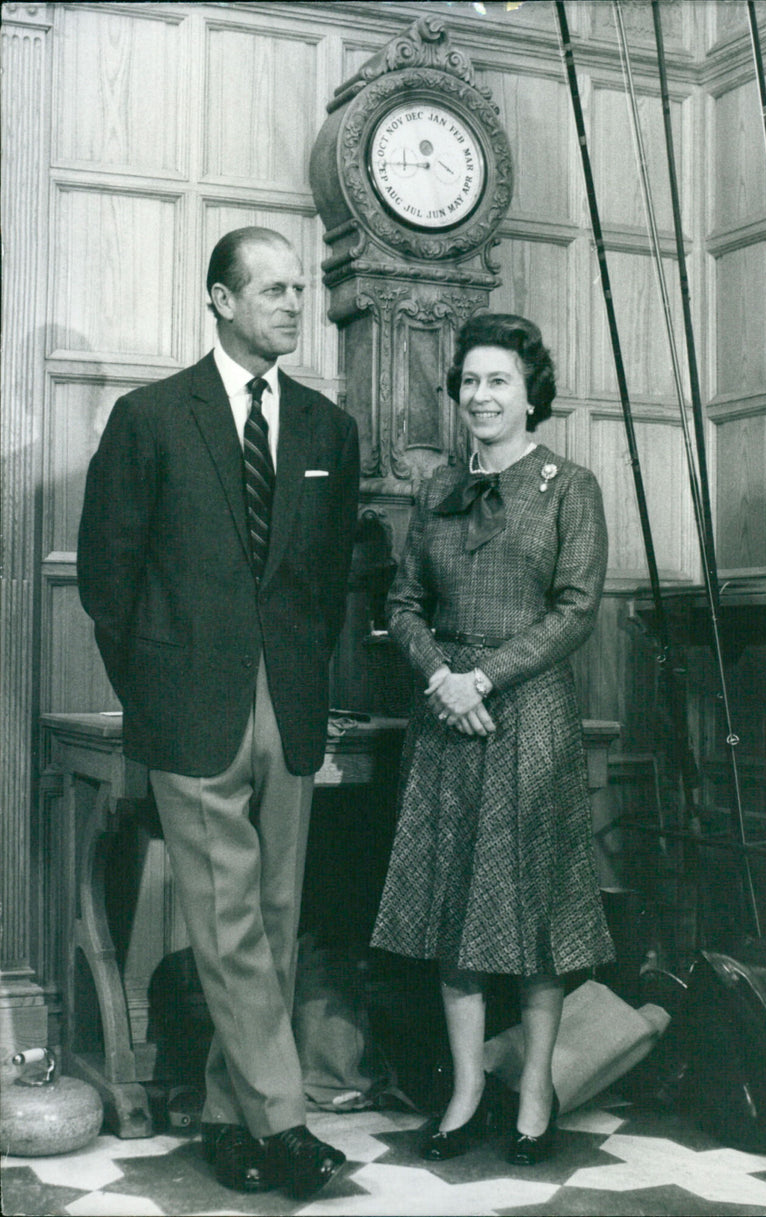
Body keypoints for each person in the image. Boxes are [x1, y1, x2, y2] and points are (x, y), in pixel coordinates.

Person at [77, 227, 360, 1198]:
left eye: (300, 288)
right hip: (188, 712)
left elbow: (323, 589)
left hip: (286, 703)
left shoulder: (327, 428)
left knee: (273, 923)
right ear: (219, 300)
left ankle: (222, 1116)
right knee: (230, 923)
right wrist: (153, 688)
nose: (294, 303)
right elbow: (108, 581)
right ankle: (284, 1122)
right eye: (273, 289)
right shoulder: (150, 419)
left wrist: (305, 697)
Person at [371, 312, 615, 1166]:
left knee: (533, 909)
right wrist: (442, 677)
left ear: (529, 391)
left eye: (498, 380)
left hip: (529, 716)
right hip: (445, 720)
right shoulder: (437, 487)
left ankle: (536, 1088)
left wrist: (486, 678)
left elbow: (576, 608)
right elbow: (401, 604)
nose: (481, 395)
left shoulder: (569, 485)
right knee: (452, 907)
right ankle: (468, 1090)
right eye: (470, 381)